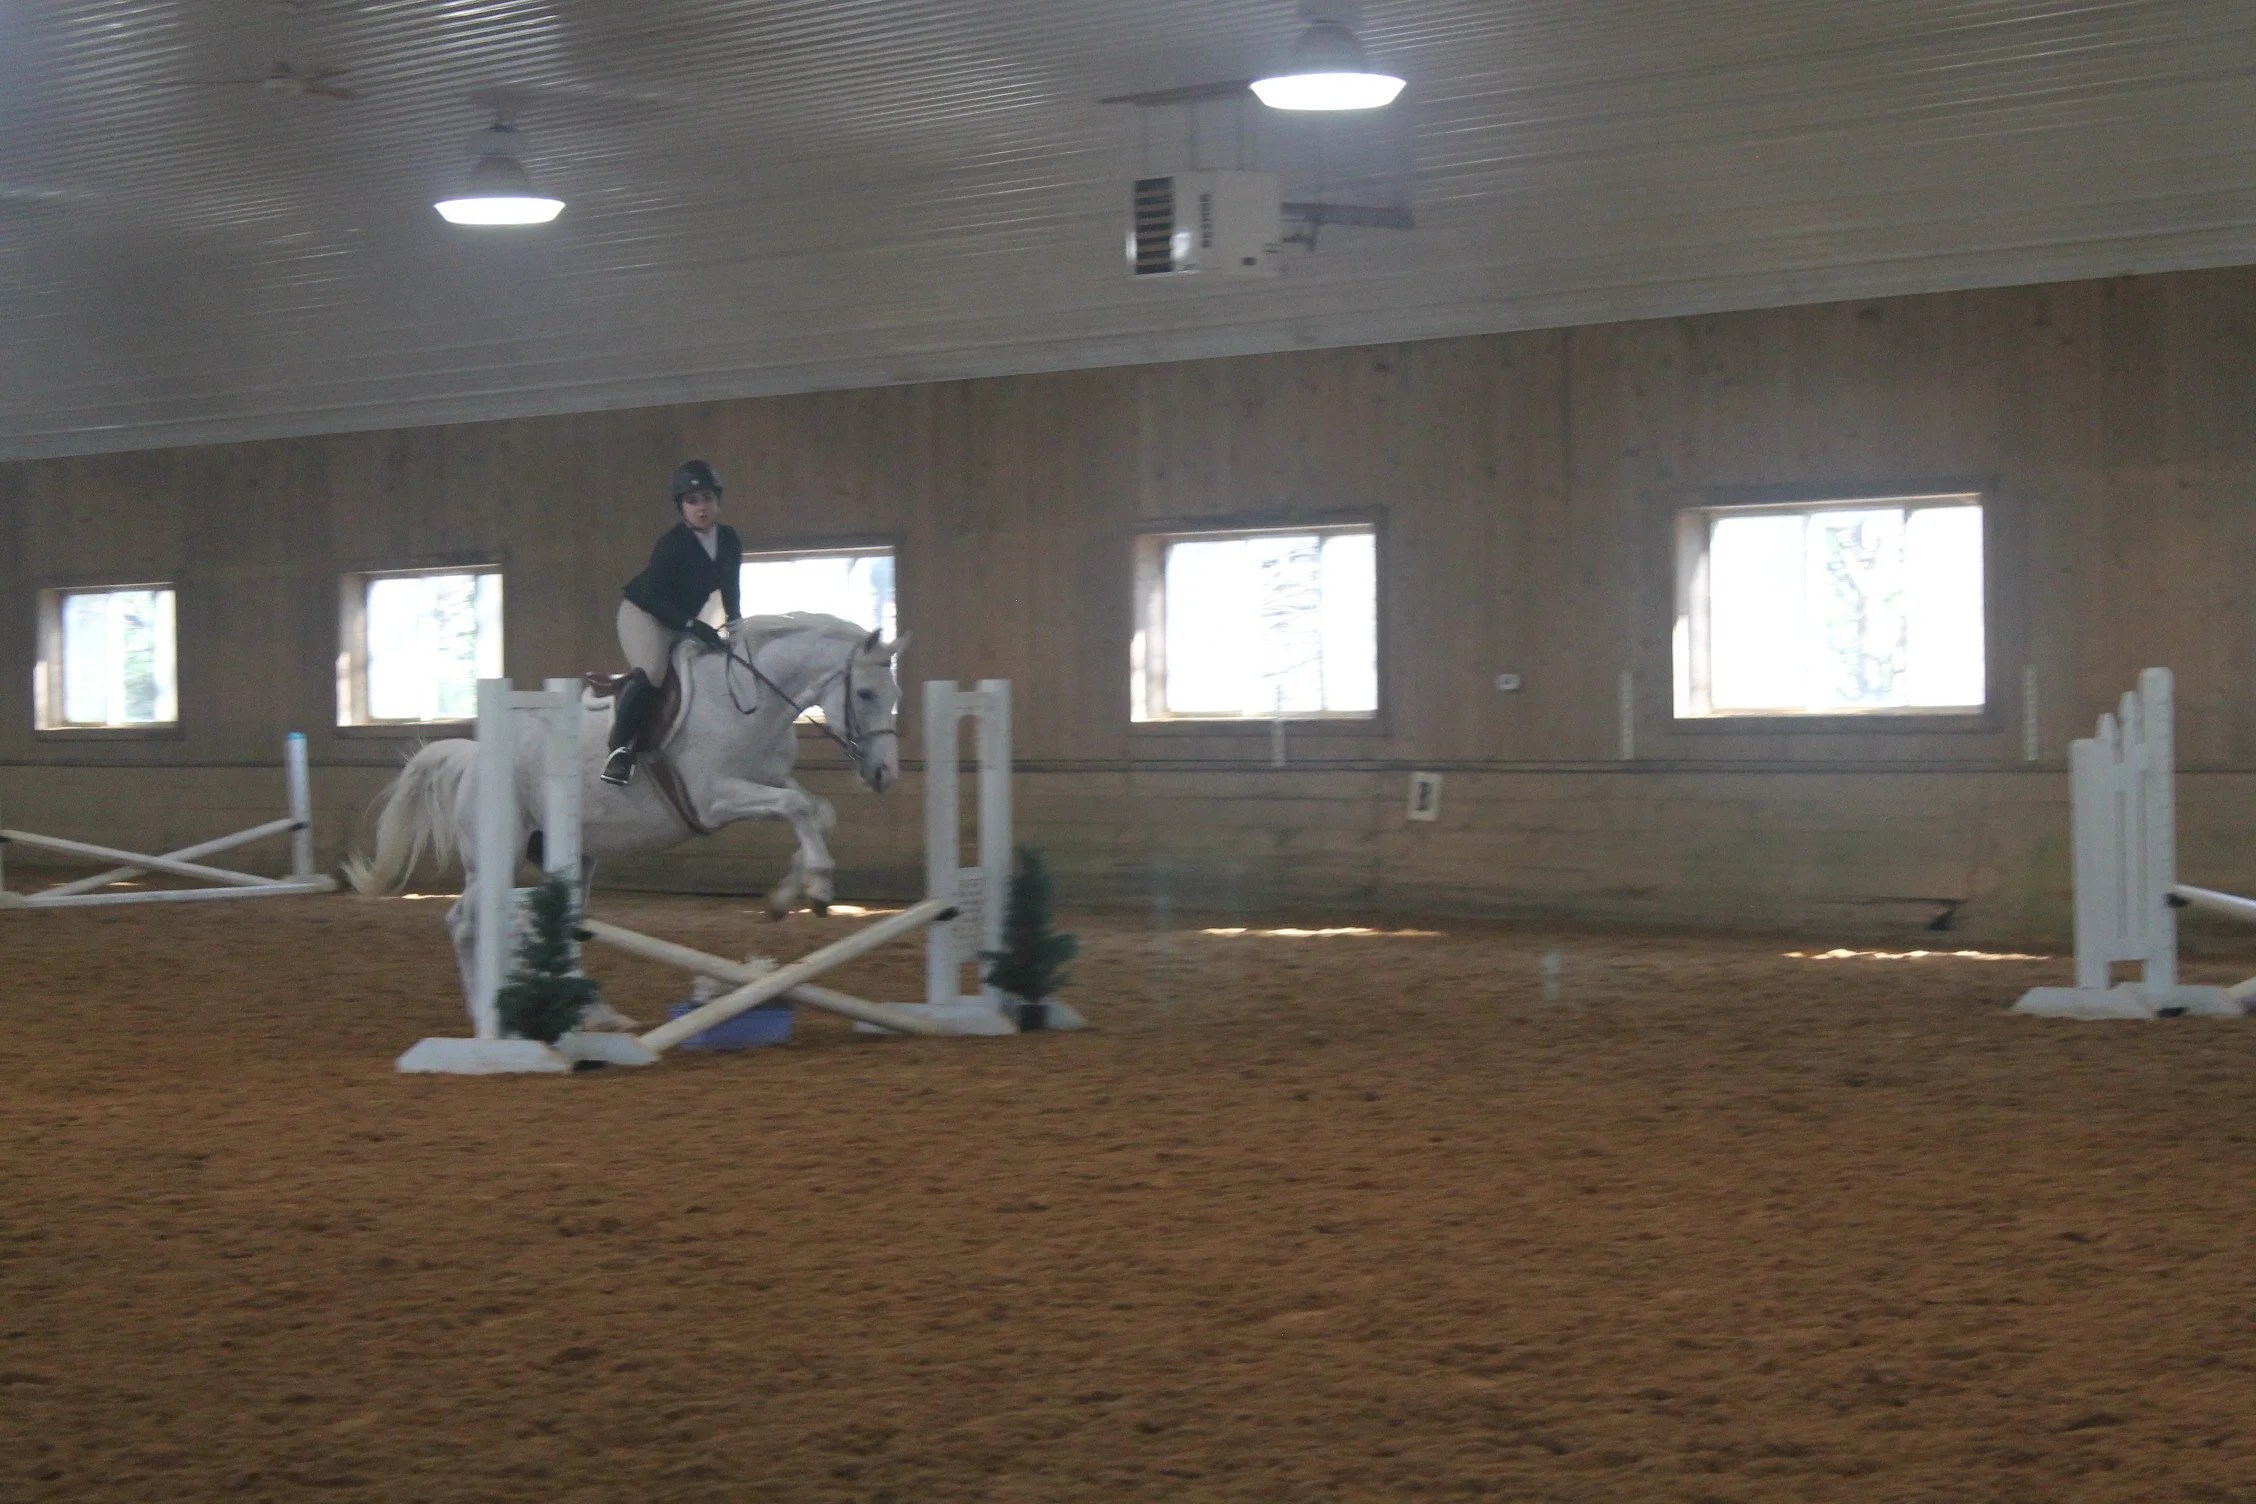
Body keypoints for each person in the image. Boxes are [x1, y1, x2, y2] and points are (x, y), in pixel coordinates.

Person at [604, 459, 742, 786]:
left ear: (717, 501)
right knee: (653, 671)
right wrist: (694, 627)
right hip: (644, 614)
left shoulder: (730, 539)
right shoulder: (672, 544)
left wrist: (737, 627)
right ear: (681, 507)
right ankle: (619, 750)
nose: (701, 508)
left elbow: (731, 586)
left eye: (707, 499)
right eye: (692, 501)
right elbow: (653, 599)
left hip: (683, 621)